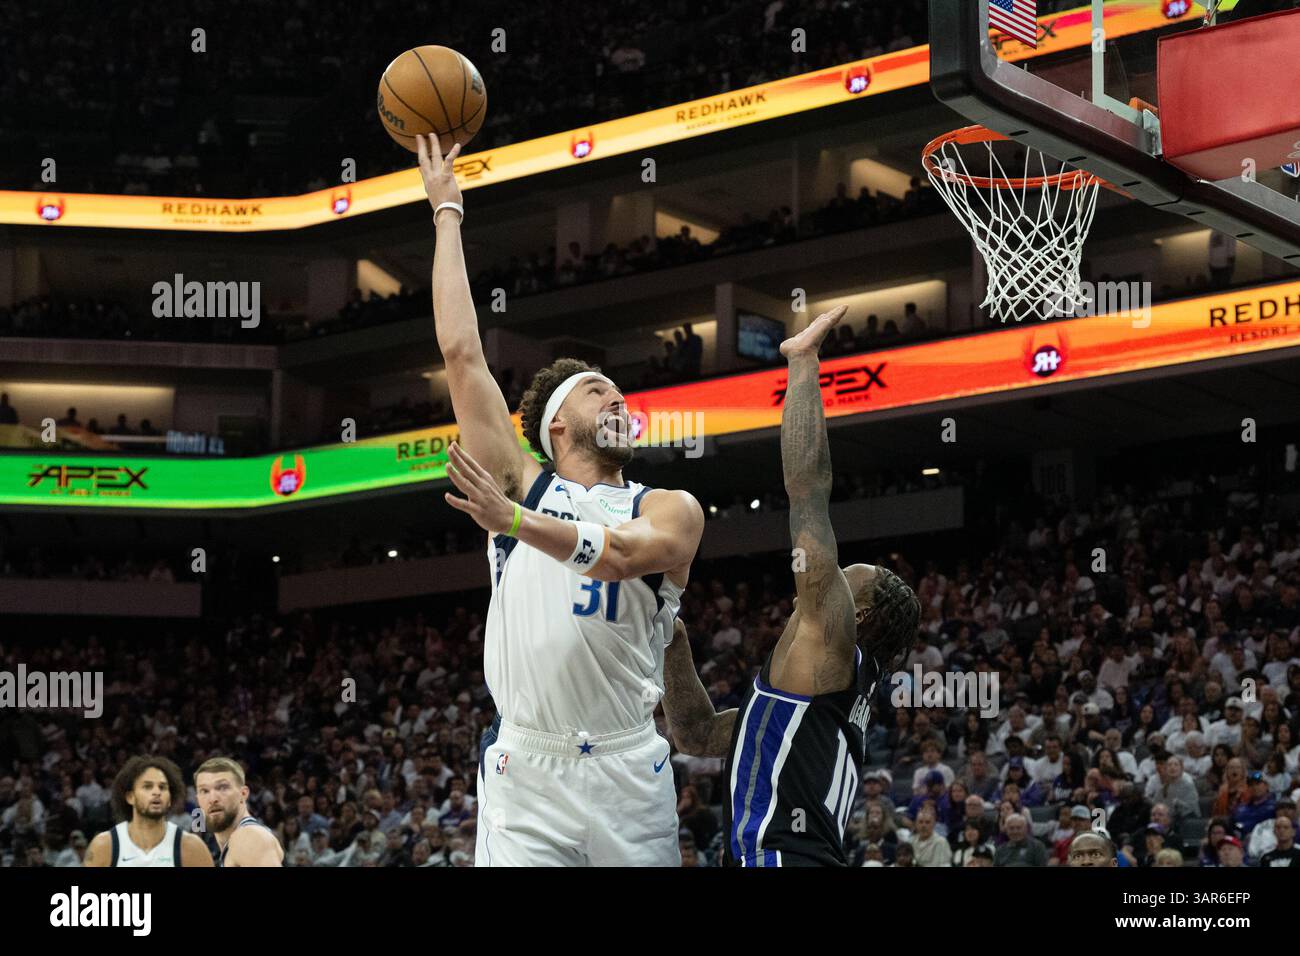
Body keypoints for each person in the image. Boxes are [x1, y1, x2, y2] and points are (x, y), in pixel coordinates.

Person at [418, 135, 704, 867]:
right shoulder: (521, 479)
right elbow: (460, 351)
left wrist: (511, 523)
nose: (620, 398)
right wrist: (446, 212)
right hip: (528, 769)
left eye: (620, 390)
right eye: (598, 391)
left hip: (628, 769)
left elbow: (623, 557)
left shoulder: (669, 505)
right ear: (557, 427)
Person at [662, 305, 920, 867]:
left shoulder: (830, 644)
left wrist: (802, 364)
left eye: (853, 580)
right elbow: (698, 735)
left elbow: (808, 490)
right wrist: (671, 640)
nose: (839, 573)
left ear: (864, 616)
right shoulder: (813, 706)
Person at [82, 756, 213, 867]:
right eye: (147, 786)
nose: (156, 792)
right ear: (130, 797)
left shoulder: (192, 847)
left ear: (169, 799)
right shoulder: (104, 846)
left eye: (162, 787)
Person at [195, 757, 283, 867]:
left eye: (222, 787)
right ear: (197, 800)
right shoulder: (233, 843)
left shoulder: (250, 838)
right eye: (204, 791)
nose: (212, 799)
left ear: (243, 794)